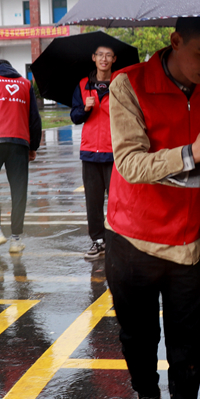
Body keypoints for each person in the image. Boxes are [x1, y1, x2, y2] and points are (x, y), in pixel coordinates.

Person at [105, 16, 200, 399]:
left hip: (188, 243)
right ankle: (148, 397)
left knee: (187, 345)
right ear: (175, 41)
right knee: (137, 337)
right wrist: (191, 152)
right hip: (132, 238)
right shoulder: (129, 86)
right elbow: (129, 163)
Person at [0, 58, 42, 252]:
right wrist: (33, 145)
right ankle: (16, 240)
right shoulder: (25, 84)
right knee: (19, 191)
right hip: (19, 143)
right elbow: (34, 118)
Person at [70, 45, 117, 260]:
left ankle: (117, 239)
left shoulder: (120, 84)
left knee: (118, 200)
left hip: (114, 151)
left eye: (108, 55)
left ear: (114, 59)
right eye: (100, 55)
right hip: (90, 151)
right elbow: (75, 117)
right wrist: (85, 109)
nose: (104, 59)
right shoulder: (82, 85)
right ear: (94, 58)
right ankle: (98, 240)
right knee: (93, 201)